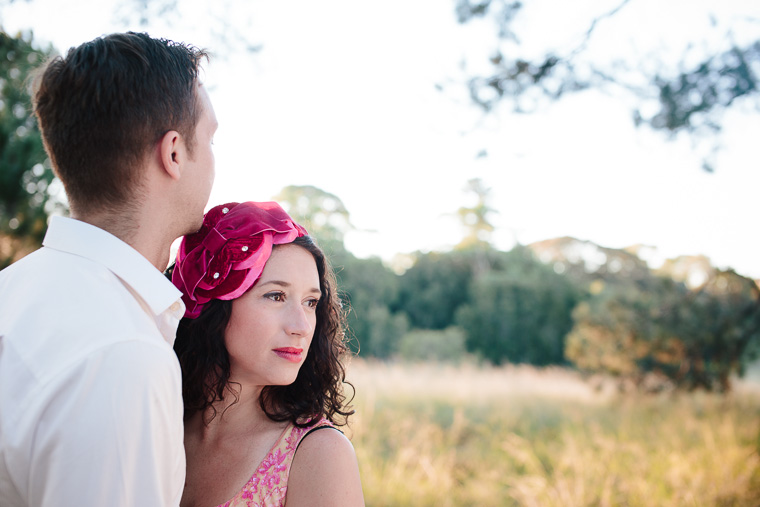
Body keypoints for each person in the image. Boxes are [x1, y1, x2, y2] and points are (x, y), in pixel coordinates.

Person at [0, 32, 217, 506]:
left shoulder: (10, 292)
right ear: (174, 153)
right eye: (211, 139)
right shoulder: (124, 356)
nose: (216, 162)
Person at [169, 201, 364, 507]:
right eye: (276, 296)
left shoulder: (318, 454)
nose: (301, 326)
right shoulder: (161, 425)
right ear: (217, 303)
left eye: (311, 302)